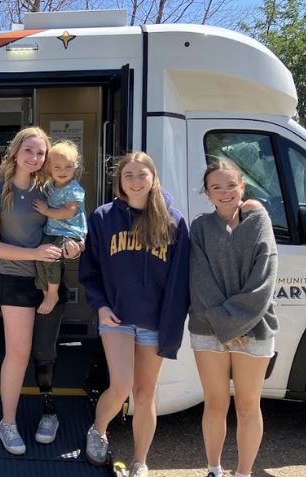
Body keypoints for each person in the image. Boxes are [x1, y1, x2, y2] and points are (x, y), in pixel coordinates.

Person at [78, 151, 190, 477]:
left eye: (142, 174)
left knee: (145, 394)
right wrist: (100, 304)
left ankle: (141, 461)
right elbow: (90, 269)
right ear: (119, 181)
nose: (136, 181)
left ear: (153, 178)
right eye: (129, 175)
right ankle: (98, 430)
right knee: (121, 384)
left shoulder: (173, 222)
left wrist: (172, 323)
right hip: (117, 319)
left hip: (154, 321)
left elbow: (180, 280)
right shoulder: (102, 218)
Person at [0, 127, 83, 455]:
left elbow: (74, 225)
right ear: (15, 152)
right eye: (29, 151)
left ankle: (48, 413)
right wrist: (34, 253)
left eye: (41, 153)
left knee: (46, 352)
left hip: (49, 279)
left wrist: (77, 246)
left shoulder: (51, 188)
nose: (35, 158)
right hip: (15, 280)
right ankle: (7, 422)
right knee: (18, 354)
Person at [189, 158, 278, 477]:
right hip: (208, 328)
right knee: (214, 403)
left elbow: (263, 280)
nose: (224, 192)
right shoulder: (199, 227)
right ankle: (213, 469)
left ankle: (243, 472)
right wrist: (226, 326)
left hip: (255, 328)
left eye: (230, 185)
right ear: (207, 192)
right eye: (216, 187)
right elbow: (198, 279)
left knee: (247, 405)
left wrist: (235, 324)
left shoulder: (259, 221)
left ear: (243, 187)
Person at [33, 140, 87, 315]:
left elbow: (69, 212)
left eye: (68, 167)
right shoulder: (50, 185)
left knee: (52, 259)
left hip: (70, 233)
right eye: (57, 167)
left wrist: (47, 210)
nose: (63, 172)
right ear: (49, 168)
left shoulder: (73, 188)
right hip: (53, 231)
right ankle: (46, 292)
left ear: (75, 166)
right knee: (39, 259)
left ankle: (53, 294)